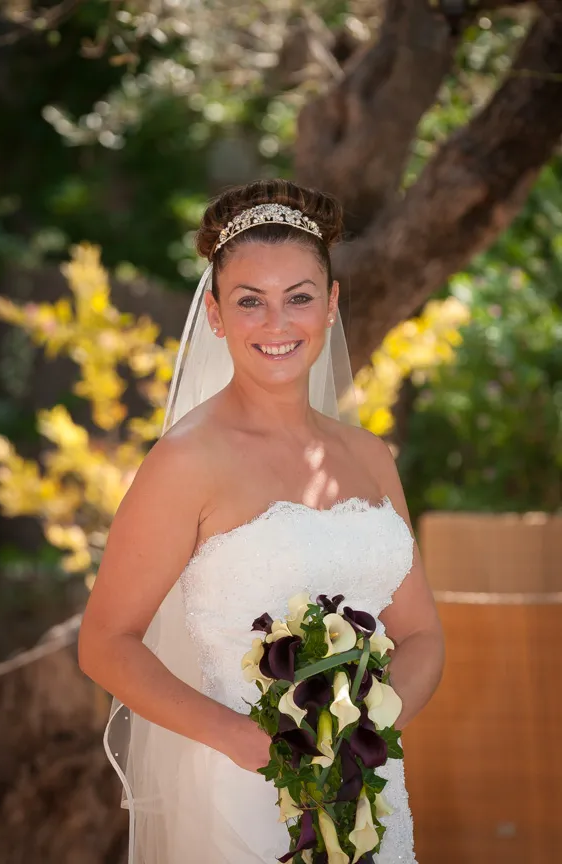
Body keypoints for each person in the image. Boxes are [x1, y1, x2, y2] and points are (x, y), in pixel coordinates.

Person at [78, 179, 445, 864]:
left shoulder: (369, 457)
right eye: (250, 302)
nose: (278, 325)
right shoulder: (185, 461)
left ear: (331, 304)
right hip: (244, 791)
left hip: (367, 785)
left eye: (299, 297)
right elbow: (106, 643)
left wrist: (364, 728)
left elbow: (421, 633)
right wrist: (247, 741)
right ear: (216, 316)